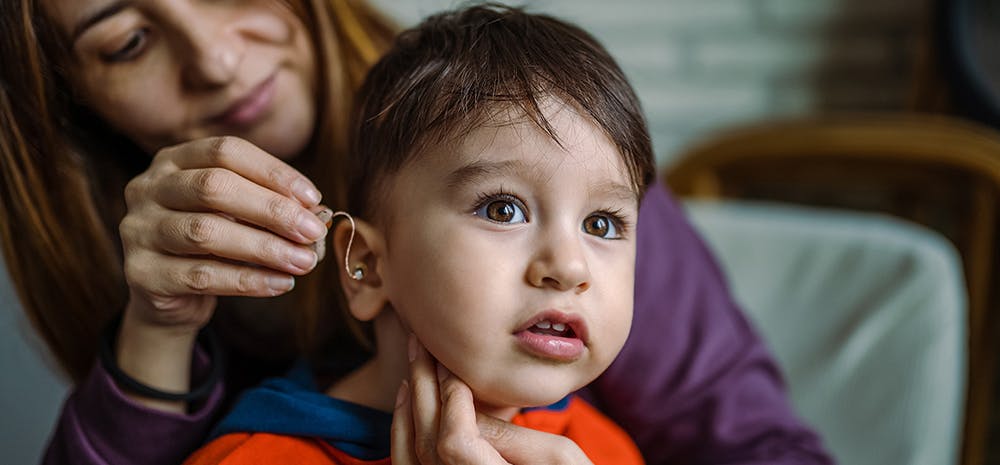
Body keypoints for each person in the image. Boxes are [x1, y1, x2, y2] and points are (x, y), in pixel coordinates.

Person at [0, 0, 832, 464]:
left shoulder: (596, 443)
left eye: (607, 222)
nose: (215, 59)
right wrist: (154, 334)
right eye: (130, 40)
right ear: (360, 258)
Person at [185, 8, 655, 463]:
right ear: (366, 267)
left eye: (602, 224)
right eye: (503, 209)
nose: (570, 267)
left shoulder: (600, 450)